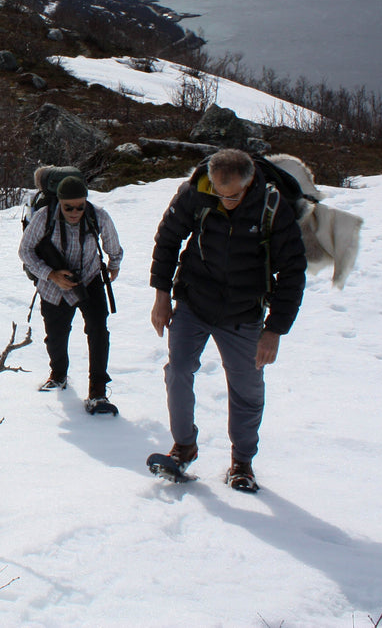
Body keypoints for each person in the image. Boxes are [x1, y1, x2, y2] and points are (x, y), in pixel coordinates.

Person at [149, 148, 307, 491]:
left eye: (233, 195)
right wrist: (161, 295)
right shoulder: (197, 191)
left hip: (244, 312)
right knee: (178, 370)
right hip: (194, 299)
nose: (226, 200)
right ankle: (183, 447)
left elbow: (294, 270)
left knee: (246, 389)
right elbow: (168, 238)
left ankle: (242, 463)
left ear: (249, 183)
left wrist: (275, 330)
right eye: (220, 193)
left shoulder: (272, 206)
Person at [19, 169, 123, 413]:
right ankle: (58, 375)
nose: (75, 212)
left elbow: (113, 247)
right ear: (60, 203)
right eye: (69, 208)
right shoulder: (43, 217)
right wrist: (51, 275)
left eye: (80, 206)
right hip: (53, 287)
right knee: (56, 334)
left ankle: (98, 390)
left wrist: (113, 266)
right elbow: (25, 251)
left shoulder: (99, 216)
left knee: (98, 331)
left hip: (89, 280)